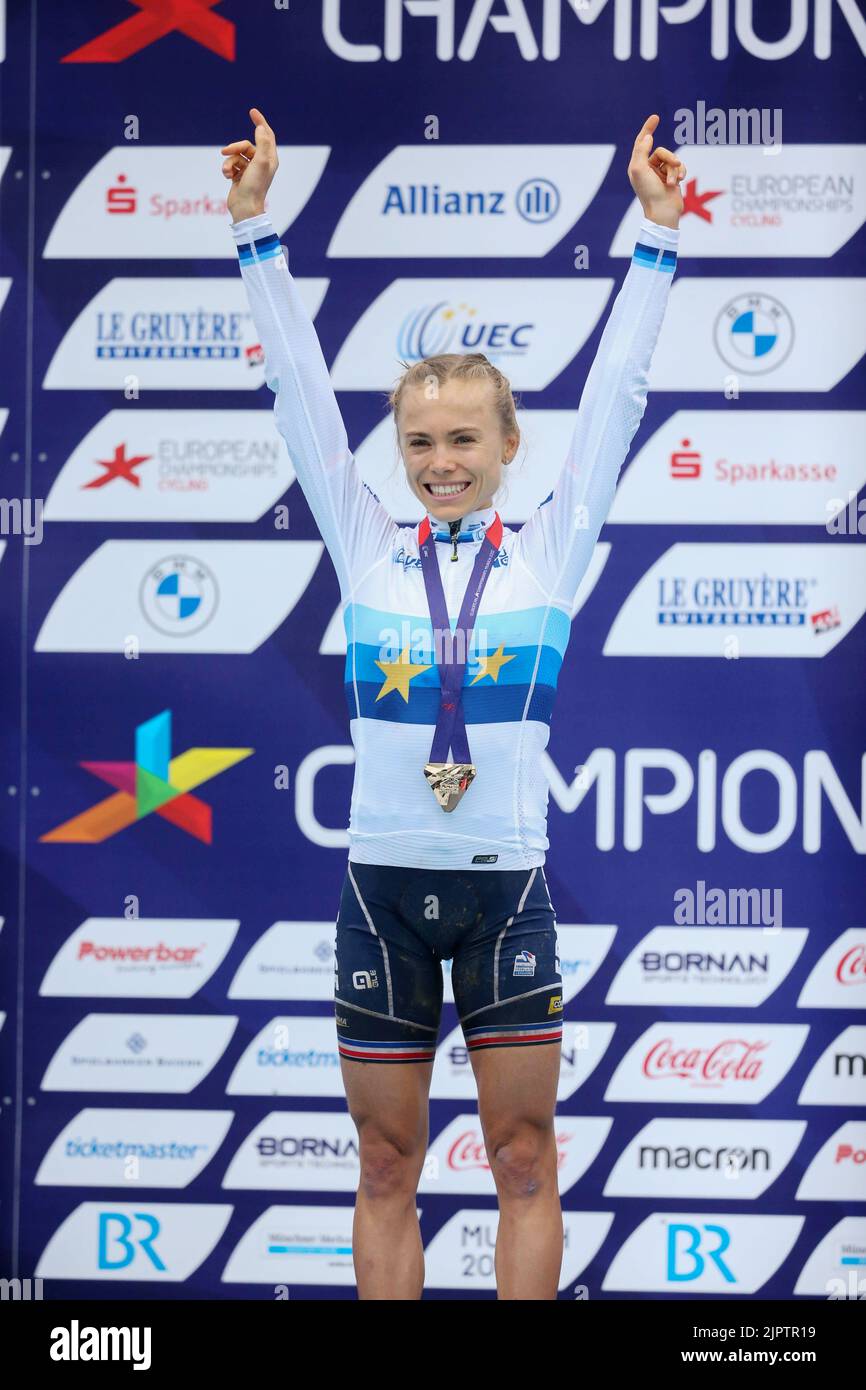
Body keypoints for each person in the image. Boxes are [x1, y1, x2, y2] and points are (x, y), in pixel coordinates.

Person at [222, 109, 684, 1300]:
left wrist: (654, 235)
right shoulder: (367, 543)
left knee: (523, 1160)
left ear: (507, 444)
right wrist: (252, 226)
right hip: (380, 889)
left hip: (503, 889)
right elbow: (295, 399)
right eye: (419, 441)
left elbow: (621, 397)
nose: (439, 460)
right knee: (384, 1162)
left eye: (463, 439)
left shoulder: (548, 553)